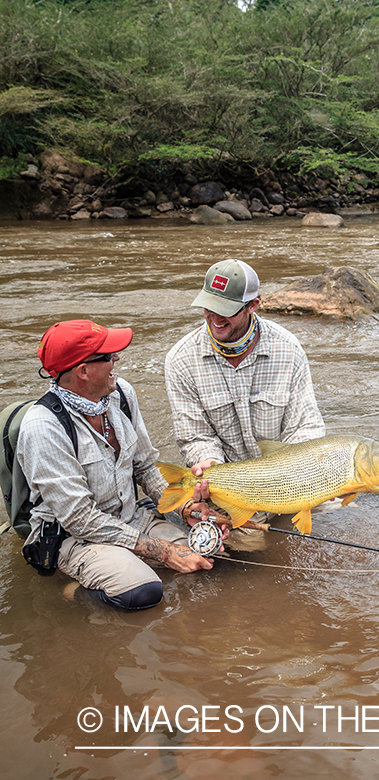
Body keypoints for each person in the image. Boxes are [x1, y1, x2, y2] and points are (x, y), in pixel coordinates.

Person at [17, 319, 226, 611]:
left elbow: (145, 467)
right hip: (76, 539)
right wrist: (164, 552)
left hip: (132, 519)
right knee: (142, 594)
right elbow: (82, 520)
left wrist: (185, 508)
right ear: (83, 371)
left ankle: (131, 565)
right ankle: (74, 592)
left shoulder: (121, 393)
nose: (117, 358)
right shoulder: (42, 428)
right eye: (107, 355)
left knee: (211, 557)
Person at [165, 258, 325, 479]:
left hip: (283, 476)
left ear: (252, 306)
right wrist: (209, 467)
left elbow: (304, 428)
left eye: (225, 309)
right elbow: (196, 437)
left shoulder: (288, 350)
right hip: (226, 483)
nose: (215, 317)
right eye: (209, 307)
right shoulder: (180, 359)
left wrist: (294, 473)